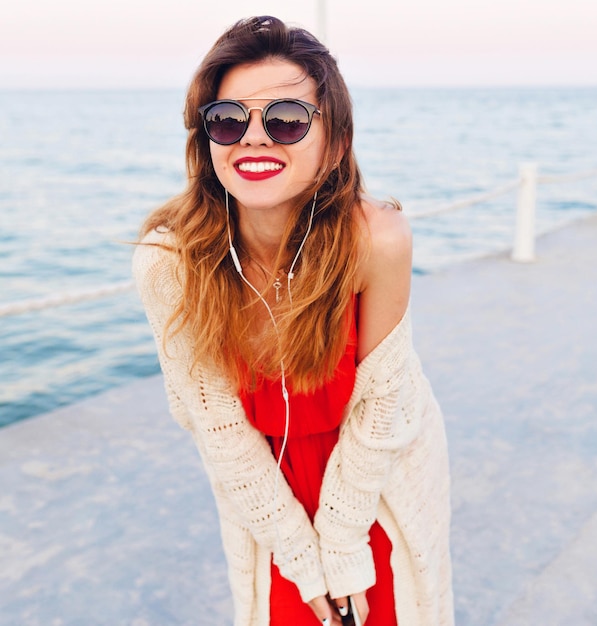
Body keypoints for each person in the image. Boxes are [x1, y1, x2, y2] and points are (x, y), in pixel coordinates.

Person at [133, 15, 453, 626]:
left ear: (333, 144)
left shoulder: (376, 238)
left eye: (285, 119)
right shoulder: (169, 261)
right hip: (263, 491)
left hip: (376, 477)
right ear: (207, 142)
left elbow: (383, 405)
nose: (253, 138)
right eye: (228, 120)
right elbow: (218, 430)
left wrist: (341, 542)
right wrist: (304, 560)